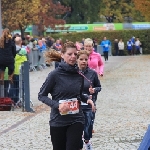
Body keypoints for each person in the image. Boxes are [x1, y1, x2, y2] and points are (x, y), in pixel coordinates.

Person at [38, 41, 95, 150]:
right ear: (62, 55)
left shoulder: (79, 75)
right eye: (69, 54)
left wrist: (87, 99)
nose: (73, 57)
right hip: (58, 120)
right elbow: (42, 95)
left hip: (76, 119)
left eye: (75, 54)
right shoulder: (54, 75)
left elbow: (78, 94)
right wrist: (57, 105)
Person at [77, 50, 101, 150]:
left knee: (88, 125)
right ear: (77, 60)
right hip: (77, 104)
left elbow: (99, 87)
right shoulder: (73, 73)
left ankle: (87, 141)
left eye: (86, 59)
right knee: (77, 126)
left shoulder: (92, 73)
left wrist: (94, 90)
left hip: (89, 104)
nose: (83, 61)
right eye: (81, 59)